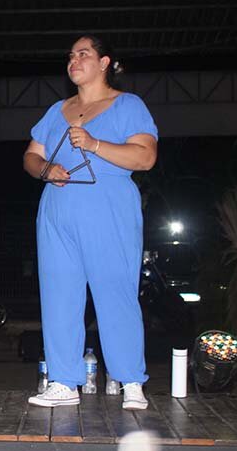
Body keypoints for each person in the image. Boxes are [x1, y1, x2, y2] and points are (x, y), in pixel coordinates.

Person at [23, 35, 157, 411]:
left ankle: (130, 380)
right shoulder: (57, 110)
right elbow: (31, 157)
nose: (74, 60)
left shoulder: (127, 105)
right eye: (70, 55)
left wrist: (96, 144)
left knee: (115, 290)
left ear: (104, 63)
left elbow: (145, 158)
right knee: (58, 294)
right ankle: (64, 381)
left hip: (108, 210)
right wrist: (47, 169)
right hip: (56, 213)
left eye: (84, 54)